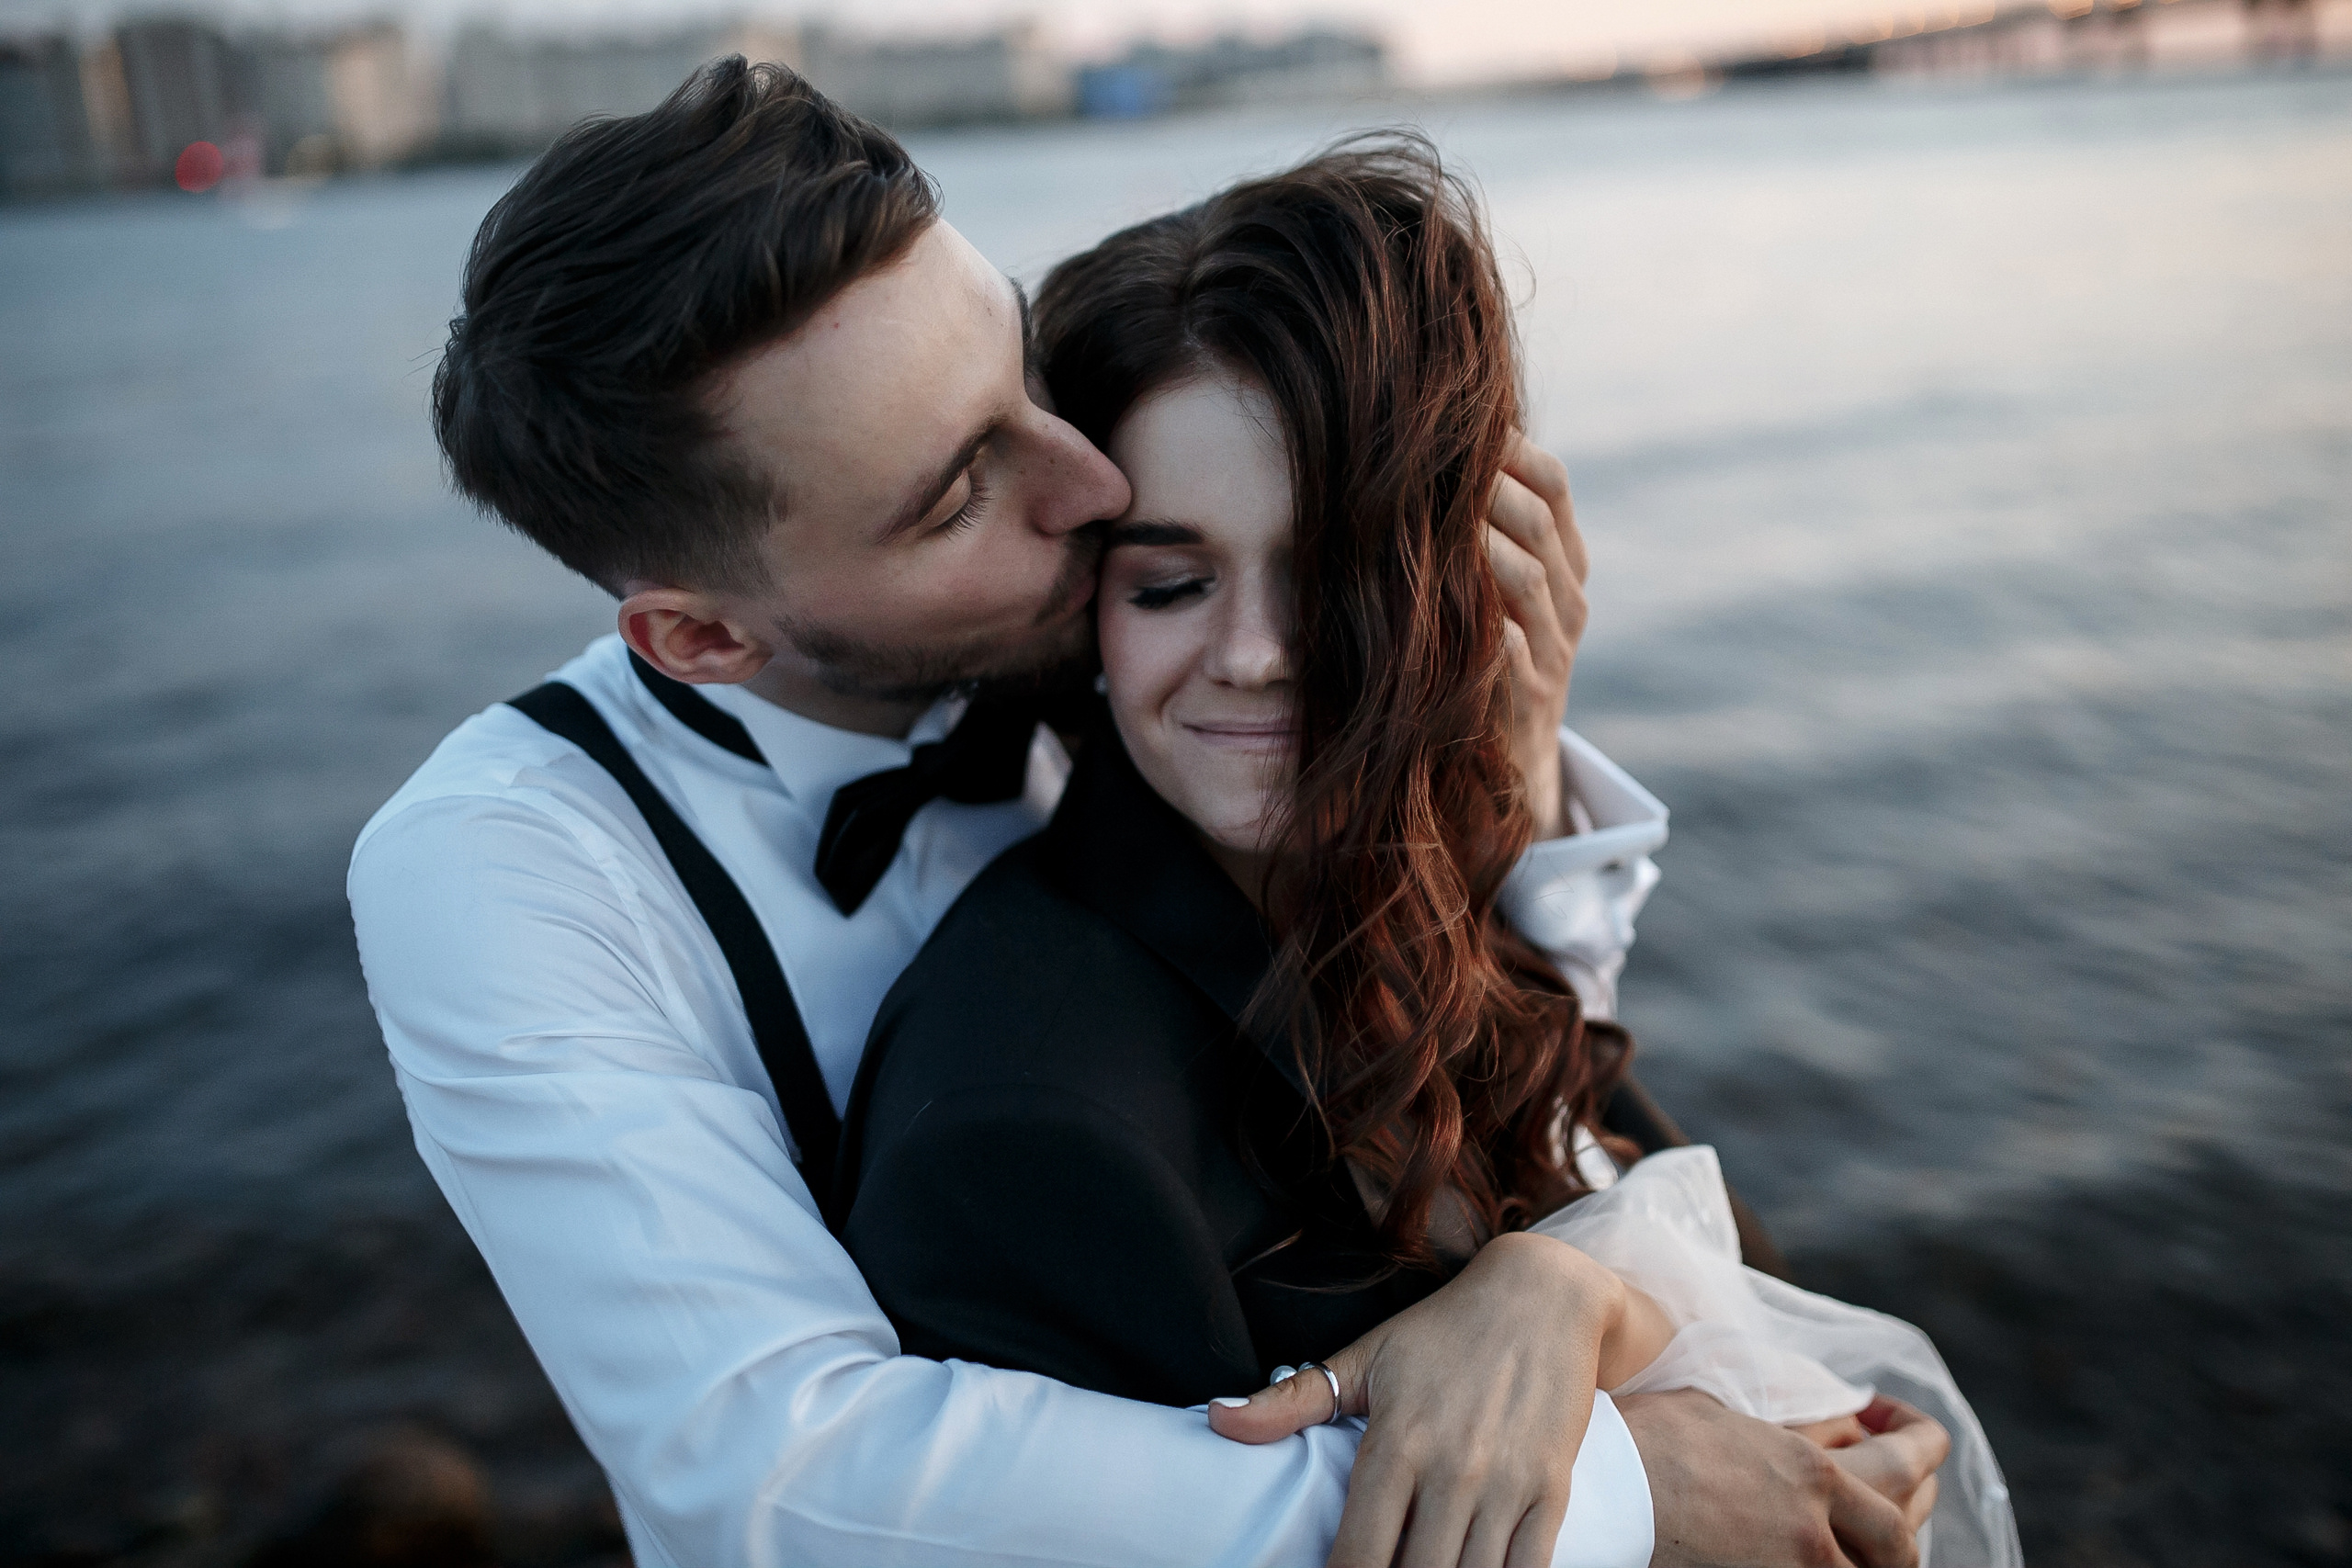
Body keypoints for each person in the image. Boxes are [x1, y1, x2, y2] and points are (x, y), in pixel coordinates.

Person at [349, 59, 1950, 1568]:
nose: (1089, 481)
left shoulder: (1129, 653)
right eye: (960, 485)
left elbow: (1392, 1065)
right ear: (706, 638)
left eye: (1020, 368)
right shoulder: (504, 868)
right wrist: (1605, 1500)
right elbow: (785, 1475)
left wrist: (1504, 787)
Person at [837, 138, 2019, 1568]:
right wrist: (1642, 1499)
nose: (1258, 656)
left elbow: (1708, 1251)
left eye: (1336, 571)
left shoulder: (1379, 876)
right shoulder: (1029, 1137)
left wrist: (1576, 1301)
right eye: (1172, 581)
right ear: (1087, 604)